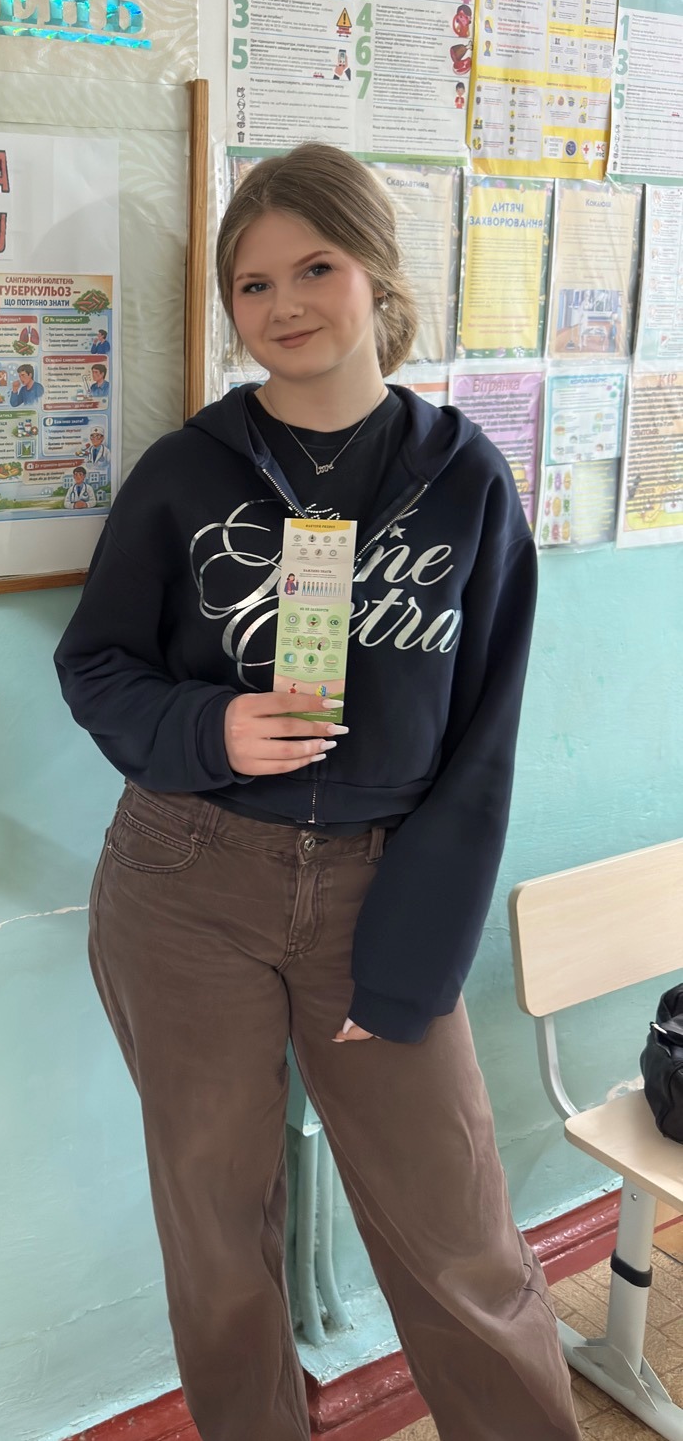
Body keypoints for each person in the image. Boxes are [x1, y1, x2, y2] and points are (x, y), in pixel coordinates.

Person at [54, 143, 578, 1441]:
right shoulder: (187, 471)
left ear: (376, 276)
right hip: (185, 883)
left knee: (458, 1240)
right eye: (252, 283)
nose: (282, 304)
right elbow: (96, 663)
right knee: (218, 1238)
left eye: (314, 267)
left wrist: (416, 947)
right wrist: (209, 725)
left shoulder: (465, 479)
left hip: (381, 882)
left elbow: (485, 739)